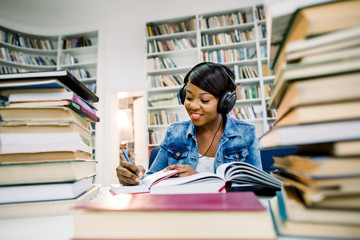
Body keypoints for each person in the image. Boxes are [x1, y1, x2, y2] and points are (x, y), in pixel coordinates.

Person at [116, 62, 262, 186]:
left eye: (204, 100)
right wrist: (136, 176)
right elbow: (151, 179)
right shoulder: (175, 133)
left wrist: (198, 180)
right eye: (189, 97)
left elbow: (257, 186)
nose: (193, 106)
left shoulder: (246, 134)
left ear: (225, 102)